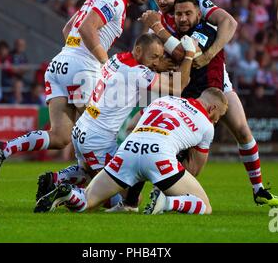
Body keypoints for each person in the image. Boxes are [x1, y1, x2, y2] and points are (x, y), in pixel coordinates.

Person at [0, 0, 156, 184]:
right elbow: (86, 28)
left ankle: (4, 149)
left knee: (60, 136)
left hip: (61, 63)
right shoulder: (114, 0)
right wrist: (105, 65)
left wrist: (75, 56)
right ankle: (74, 187)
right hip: (83, 69)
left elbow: (68, 28)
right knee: (95, 137)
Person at [140, 0, 278, 207]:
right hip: (185, 91)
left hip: (216, 85)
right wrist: (159, 62)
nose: (160, 0)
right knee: (185, 153)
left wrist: (208, 54)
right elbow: (161, 57)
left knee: (243, 132)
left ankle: (258, 189)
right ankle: (157, 193)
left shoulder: (198, 10)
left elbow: (227, 24)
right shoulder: (158, 21)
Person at [34, 32, 198, 209]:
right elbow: (178, 86)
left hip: (83, 130)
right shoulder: (138, 72)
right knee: (129, 197)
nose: (156, 62)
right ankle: (68, 193)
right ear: (138, 50)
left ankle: (56, 179)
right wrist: (189, 54)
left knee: (89, 172)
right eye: (154, 57)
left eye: (159, 57)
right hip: (99, 140)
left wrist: (155, 66)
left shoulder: (116, 59)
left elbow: (140, 74)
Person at [34, 88, 228, 214]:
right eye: (219, 116)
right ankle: (165, 203)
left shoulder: (165, 100)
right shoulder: (207, 126)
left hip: (128, 149)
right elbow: (194, 169)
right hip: (159, 156)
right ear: (211, 109)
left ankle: (69, 194)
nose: (217, 121)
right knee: (205, 206)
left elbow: (130, 126)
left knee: (87, 202)